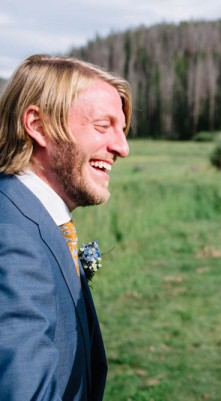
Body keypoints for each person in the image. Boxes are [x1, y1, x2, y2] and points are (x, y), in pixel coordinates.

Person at [0, 54, 131, 400]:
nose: (122, 147)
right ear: (38, 126)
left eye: (122, 130)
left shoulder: (35, 219)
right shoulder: (11, 237)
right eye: (103, 127)